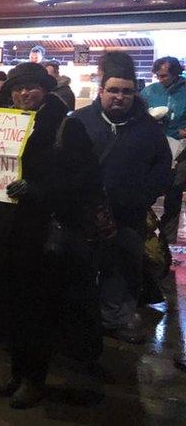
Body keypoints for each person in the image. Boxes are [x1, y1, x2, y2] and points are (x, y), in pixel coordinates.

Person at [0, 62, 74, 408]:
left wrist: (37, 189)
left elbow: (76, 179)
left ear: (45, 89)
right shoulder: (5, 122)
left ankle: (35, 379)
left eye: (32, 87)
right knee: (12, 305)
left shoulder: (63, 123)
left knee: (36, 309)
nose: (24, 94)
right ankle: (18, 373)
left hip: (39, 231)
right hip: (8, 228)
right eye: (18, 89)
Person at [72, 53, 171, 342]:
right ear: (101, 91)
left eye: (126, 91)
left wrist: (142, 196)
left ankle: (115, 319)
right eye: (113, 90)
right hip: (84, 215)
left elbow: (161, 167)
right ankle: (81, 316)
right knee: (82, 268)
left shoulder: (148, 128)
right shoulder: (79, 122)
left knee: (123, 269)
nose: (119, 97)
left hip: (128, 215)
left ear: (134, 93)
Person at [141, 56, 186, 253]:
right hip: (154, 145)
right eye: (157, 75)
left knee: (174, 193)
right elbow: (137, 112)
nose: (160, 78)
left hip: (181, 148)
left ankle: (167, 243)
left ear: (176, 73)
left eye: (164, 75)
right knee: (148, 189)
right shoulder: (150, 90)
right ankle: (144, 233)